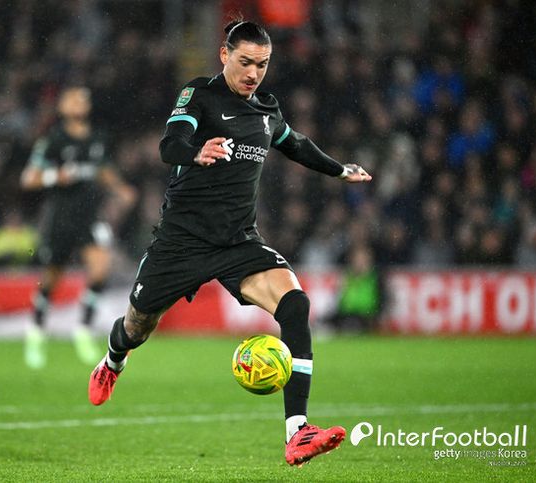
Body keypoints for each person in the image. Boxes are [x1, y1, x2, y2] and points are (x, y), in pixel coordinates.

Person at [88, 20, 371, 466]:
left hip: (238, 242)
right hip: (181, 242)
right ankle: (112, 361)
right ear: (224, 55)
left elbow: (295, 144)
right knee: (137, 326)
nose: (253, 73)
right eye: (245, 62)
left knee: (295, 304)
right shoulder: (199, 95)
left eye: (262, 64)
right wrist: (195, 153)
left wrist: (339, 170)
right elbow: (169, 144)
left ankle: (298, 431)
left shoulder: (267, 111)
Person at [20, 86, 136, 369]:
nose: (79, 103)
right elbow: (28, 178)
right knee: (52, 277)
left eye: (83, 99)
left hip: (90, 216)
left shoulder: (97, 138)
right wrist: (54, 176)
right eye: (73, 99)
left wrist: (120, 188)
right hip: (60, 218)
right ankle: (36, 331)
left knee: (101, 268)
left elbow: (102, 169)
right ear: (62, 107)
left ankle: (83, 329)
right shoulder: (53, 140)